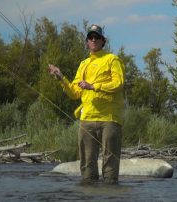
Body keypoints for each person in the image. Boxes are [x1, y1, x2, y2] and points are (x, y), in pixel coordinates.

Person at [48, 24, 125, 184]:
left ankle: (110, 195)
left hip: (109, 119)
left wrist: (93, 86)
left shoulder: (112, 59)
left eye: (97, 37)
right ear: (87, 42)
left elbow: (118, 83)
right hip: (87, 120)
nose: (94, 40)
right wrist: (61, 78)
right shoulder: (83, 64)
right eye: (91, 37)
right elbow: (74, 93)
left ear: (103, 41)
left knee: (110, 166)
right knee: (87, 166)